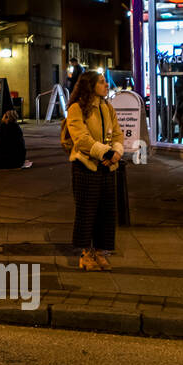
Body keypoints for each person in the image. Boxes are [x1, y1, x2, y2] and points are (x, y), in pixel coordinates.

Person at [64, 71, 124, 271]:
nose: (106, 84)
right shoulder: (76, 108)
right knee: (87, 211)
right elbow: (81, 138)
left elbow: (117, 133)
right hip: (85, 166)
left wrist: (115, 152)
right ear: (90, 85)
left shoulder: (107, 106)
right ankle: (86, 253)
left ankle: (101, 251)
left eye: (105, 82)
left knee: (107, 212)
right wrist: (106, 153)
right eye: (101, 82)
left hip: (107, 166)